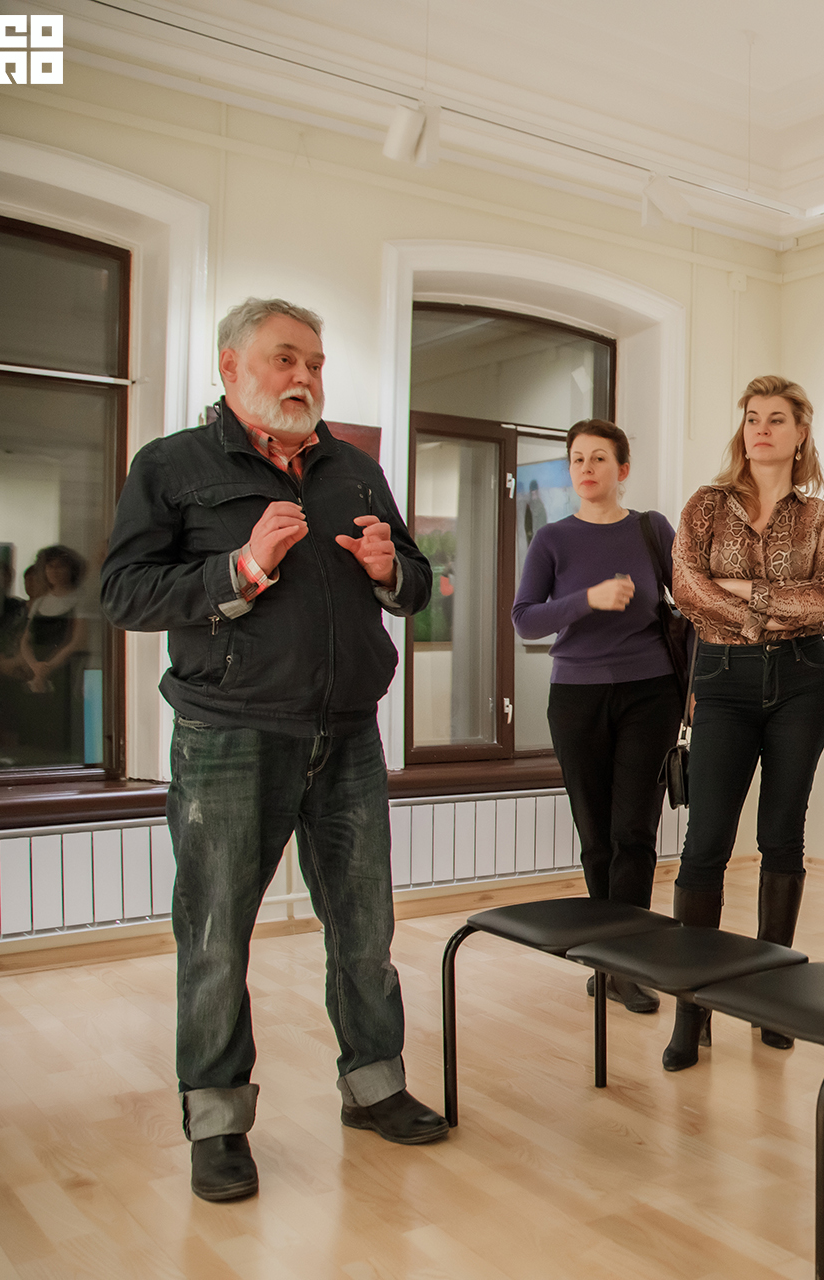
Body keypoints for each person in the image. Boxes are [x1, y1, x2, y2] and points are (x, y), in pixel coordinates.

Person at [100, 297, 443, 1205]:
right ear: (231, 367)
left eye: (315, 363)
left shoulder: (355, 469)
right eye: (285, 358)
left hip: (349, 733)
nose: (304, 377)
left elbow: (415, 583)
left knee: (364, 930)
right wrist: (240, 568)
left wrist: (392, 572)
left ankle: (374, 1087)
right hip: (230, 734)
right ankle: (218, 1124)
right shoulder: (171, 465)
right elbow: (125, 593)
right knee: (216, 937)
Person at [666, 375, 824, 1069]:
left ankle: (771, 997)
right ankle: (692, 1007)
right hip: (721, 683)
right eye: (752, 418)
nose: (762, 429)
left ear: (801, 434)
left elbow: (823, 600)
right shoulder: (705, 506)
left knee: (781, 837)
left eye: (776, 418)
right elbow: (686, 588)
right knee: (706, 842)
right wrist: (764, 607)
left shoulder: (823, 520)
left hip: (803, 682)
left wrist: (738, 594)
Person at [511, 419, 682, 1015]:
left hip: (651, 693)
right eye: (578, 459)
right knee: (596, 834)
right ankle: (604, 961)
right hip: (577, 697)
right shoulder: (552, 540)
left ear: (622, 469)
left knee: (634, 831)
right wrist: (587, 599)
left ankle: (626, 963)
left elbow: (690, 601)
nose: (586, 468)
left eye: (599, 458)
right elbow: (525, 619)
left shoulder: (652, 528)